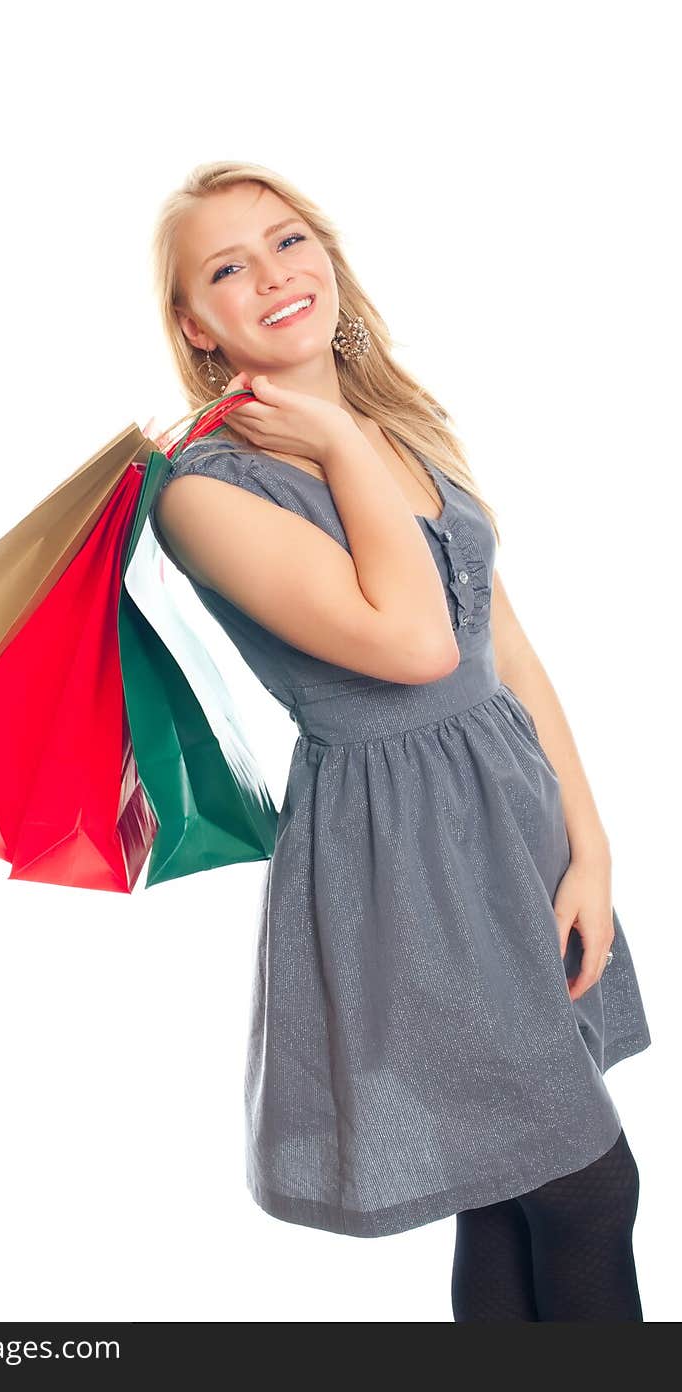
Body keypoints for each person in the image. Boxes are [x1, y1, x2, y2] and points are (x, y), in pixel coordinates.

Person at [147, 160, 652, 1321]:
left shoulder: (391, 427)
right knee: (584, 1191)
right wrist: (327, 434)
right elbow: (415, 644)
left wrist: (590, 846)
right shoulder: (203, 492)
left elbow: (501, 649)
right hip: (406, 862)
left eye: (288, 240)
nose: (274, 275)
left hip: (510, 824)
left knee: (512, 1184)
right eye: (227, 267)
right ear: (195, 323)